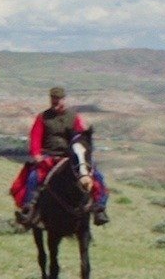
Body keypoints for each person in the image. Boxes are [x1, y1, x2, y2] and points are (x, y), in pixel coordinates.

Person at [12, 87, 109, 227]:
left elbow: (81, 138)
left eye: (58, 100)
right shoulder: (42, 117)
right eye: (53, 100)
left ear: (64, 99)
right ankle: (28, 210)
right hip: (48, 156)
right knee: (33, 177)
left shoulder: (74, 117)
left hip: (71, 156)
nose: (56, 102)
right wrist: (37, 155)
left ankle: (99, 208)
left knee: (97, 175)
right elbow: (35, 138)